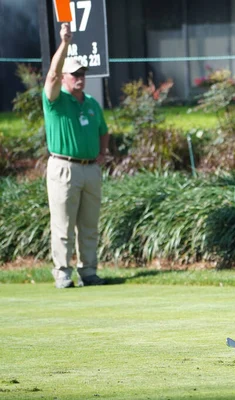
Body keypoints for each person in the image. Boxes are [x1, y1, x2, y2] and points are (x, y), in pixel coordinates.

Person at [42, 23, 110, 289]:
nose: (79, 77)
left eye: (82, 73)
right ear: (64, 78)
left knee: (89, 225)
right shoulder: (55, 100)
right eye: (74, 74)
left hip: (90, 168)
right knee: (63, 225)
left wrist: (103, 152)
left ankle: (89, 271)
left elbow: (104, 131)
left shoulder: (92, 103)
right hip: (64, 168)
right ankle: (62, 273)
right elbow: (50, 76)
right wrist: (65, 43)